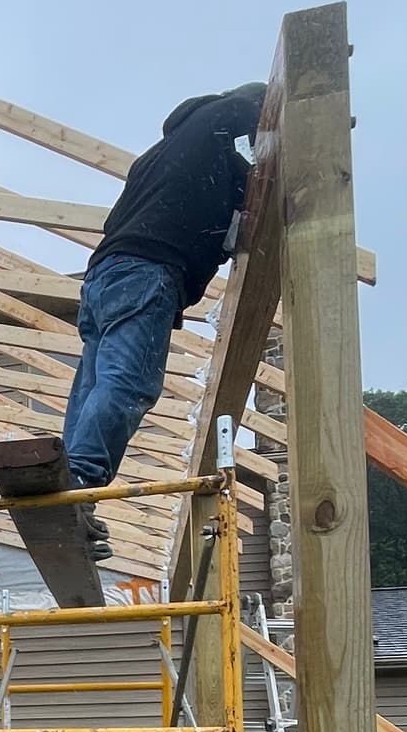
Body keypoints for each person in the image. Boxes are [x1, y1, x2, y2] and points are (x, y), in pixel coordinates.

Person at [62, 83, 266, 551]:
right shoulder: (212, 125)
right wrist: (271, 119)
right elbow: (247, 103)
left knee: (94, 386)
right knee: (127, 384)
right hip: (147, 271)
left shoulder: (158, 159)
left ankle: (71, 490)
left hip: (103, 278)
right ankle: (78, 483)